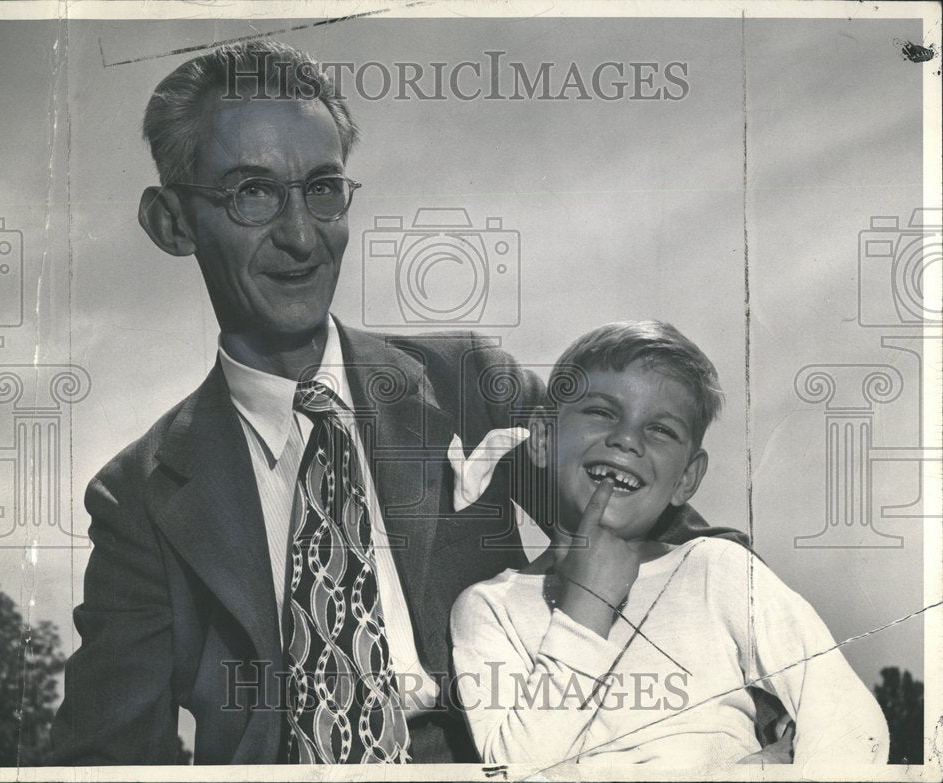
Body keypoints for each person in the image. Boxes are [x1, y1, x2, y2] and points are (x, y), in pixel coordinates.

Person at [52, 41, 759, 765]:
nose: (300, 236)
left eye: (322, 187)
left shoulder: (468, 381)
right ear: (172, 222)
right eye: (251, 192)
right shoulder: (138, 495)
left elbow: (682, 546)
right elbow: (107, 752)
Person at [451, 321, 889, 769]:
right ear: (543, 438)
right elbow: (515, 768)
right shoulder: (490, 609)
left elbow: (849, 719)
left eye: (660, 430)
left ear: (685, 479)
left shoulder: (718, 570)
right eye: (602, 412)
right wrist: (586, 609)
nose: (626, 439)